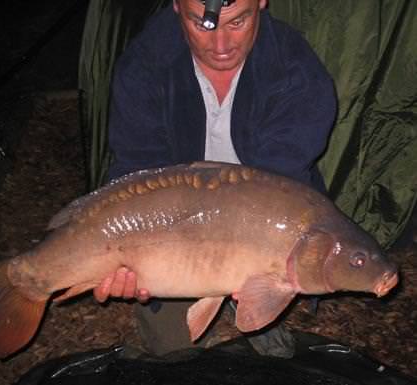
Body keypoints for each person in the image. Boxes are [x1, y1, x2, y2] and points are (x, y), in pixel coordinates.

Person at [93, 0, 337, 357]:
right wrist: (127, 259)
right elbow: (137, 172)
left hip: (258, 224)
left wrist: (263, 282)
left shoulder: (296, 72)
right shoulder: (145, 64)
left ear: (261, 2)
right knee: (171, 350)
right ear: (177, 5)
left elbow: (283, 185)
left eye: (238, 22)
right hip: (176, 223)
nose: (221, 46)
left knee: (278, 294)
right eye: (202, 24)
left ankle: (246, 303)